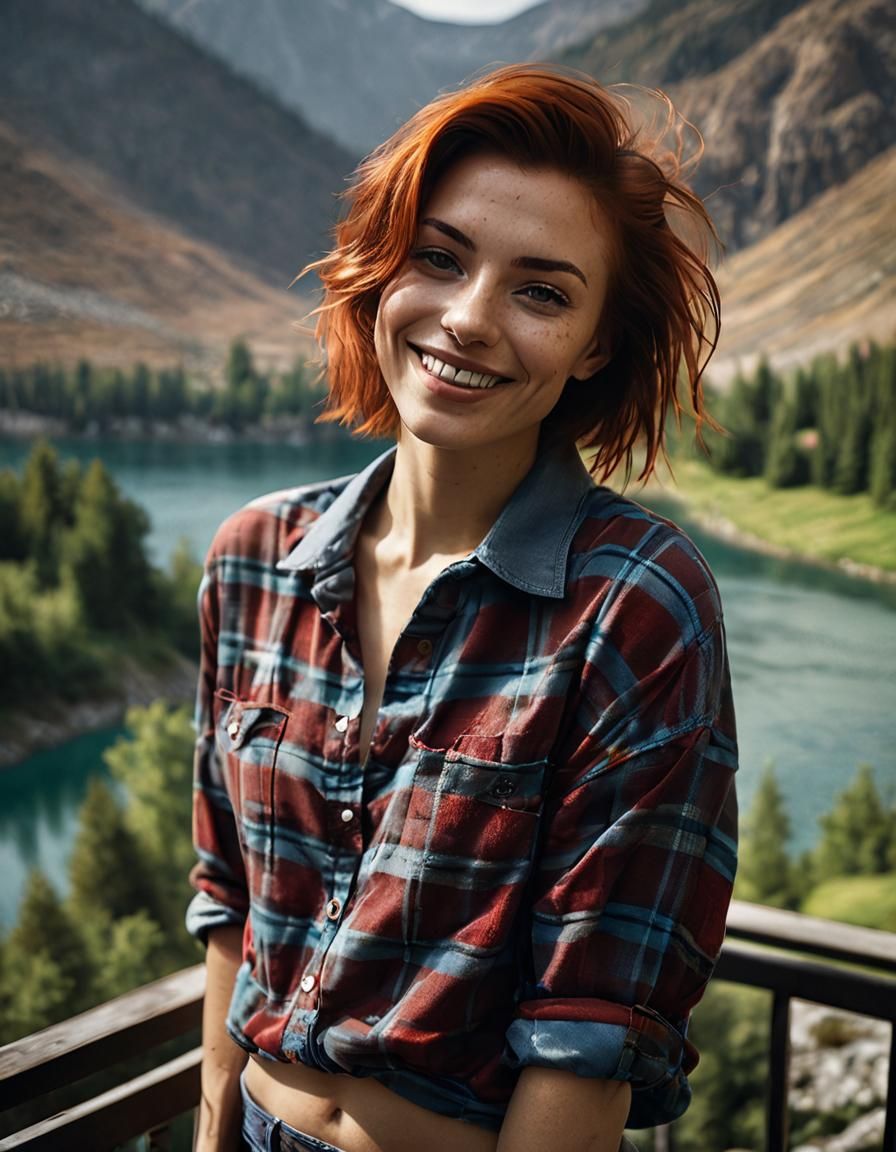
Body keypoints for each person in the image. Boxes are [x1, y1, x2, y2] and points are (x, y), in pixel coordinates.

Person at [187, 64, 738, 1152]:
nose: (468, 319)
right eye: (437, 259)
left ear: (595, 346)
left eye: (540, 291)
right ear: (379, 275)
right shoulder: (252, 558)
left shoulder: (636, 605)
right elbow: (230, 914)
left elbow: (594, 1028)